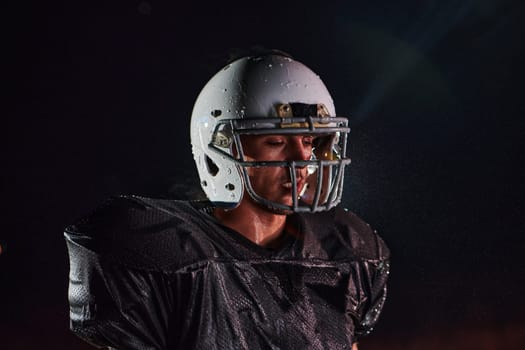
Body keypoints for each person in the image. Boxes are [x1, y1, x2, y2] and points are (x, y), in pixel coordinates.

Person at [65, 50, 390, 350]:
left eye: (309, 140)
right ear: (223, 148)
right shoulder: (164, 251)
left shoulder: (345, 252)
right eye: (277, 141)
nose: (302, 159)